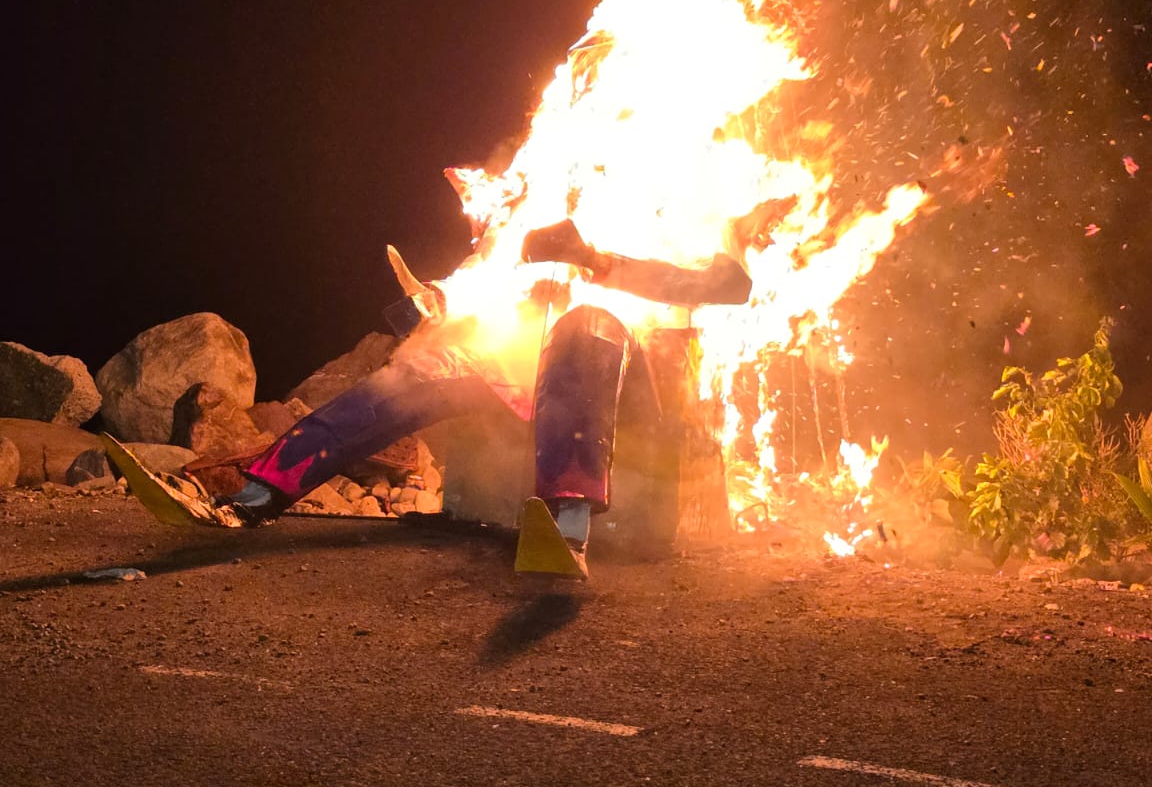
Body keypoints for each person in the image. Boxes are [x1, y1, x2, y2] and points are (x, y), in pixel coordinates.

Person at [107, 217, 761, 578]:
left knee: (583, 327)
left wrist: (595, 258)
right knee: (411, 375)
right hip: (523, 371)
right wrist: (434, 300)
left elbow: (726, 287)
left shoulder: (666, 214)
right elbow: (483, 286)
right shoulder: (543, 207)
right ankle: (254, 497)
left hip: (618, 378)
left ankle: (568, 526)